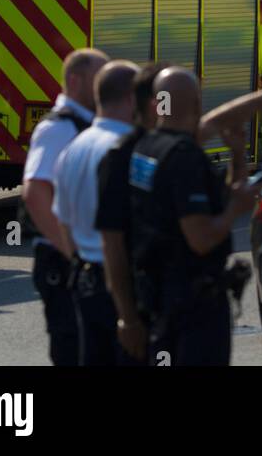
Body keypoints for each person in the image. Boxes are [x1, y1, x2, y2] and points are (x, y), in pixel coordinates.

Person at [129, 69, 262, 366]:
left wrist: (237, 156)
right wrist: (237, 209)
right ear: (197, 104)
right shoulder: (184, 157)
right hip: (192, 304)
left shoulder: (147, 147)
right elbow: (201, 238)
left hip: (156, 294)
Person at [21, 47, 108, 366]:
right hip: (62, 262)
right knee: (74, 349)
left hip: (80, 260)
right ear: (75, 80)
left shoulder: (89, 126)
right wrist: (74, 253)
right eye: (99, 78)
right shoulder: (60, 128)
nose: (105, 88)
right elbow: (36, 192)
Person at [53, 59, 139, 366]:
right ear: (131, 98)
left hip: (85, 280)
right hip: (123, 286)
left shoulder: (73, 149)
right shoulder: (126, 150)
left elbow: (63, 220)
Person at [96, 61, 169, 364]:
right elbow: (111, 240)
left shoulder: (154, 149)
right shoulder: (129, 155)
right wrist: (128, 317)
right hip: (145, 300)